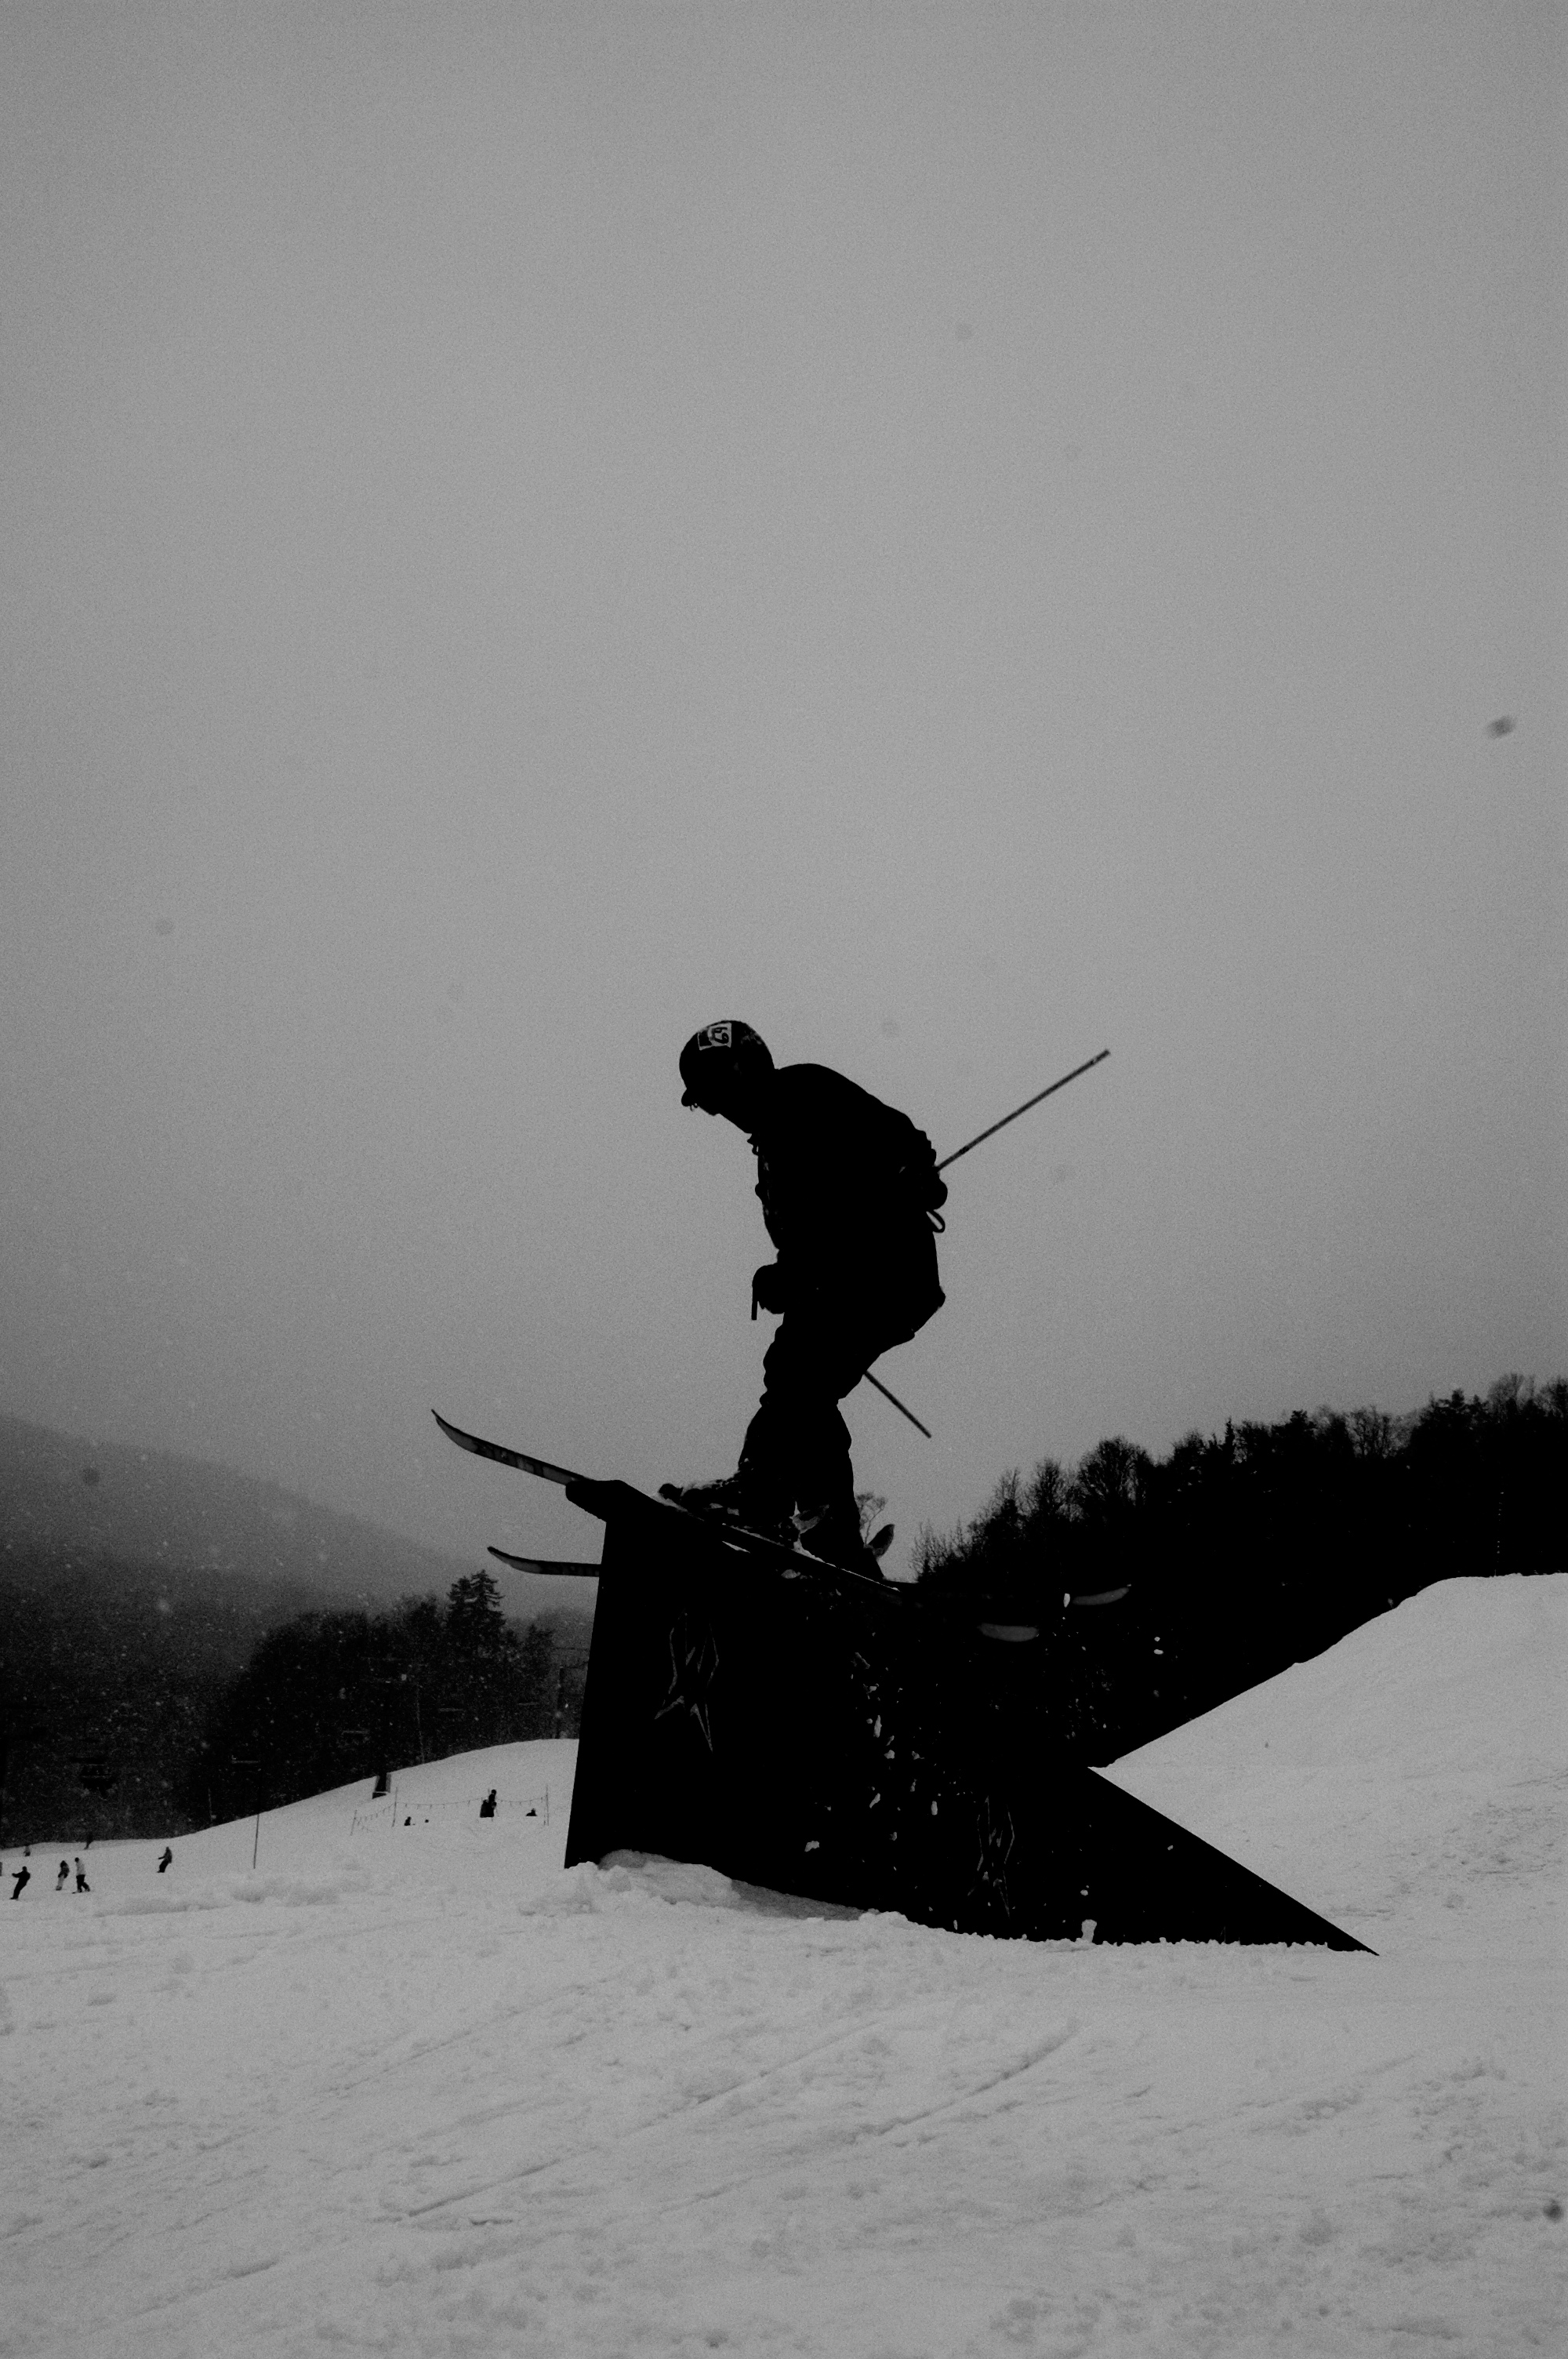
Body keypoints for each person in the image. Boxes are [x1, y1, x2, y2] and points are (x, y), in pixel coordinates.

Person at [661, 1020, 946, 1574]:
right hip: (844, 1277)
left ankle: (761, 1496)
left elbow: (892, 1137)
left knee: (796, 1371)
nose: (720, 1111)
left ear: (747, 1070)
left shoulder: (804, 1093)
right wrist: (783, 1273)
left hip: (881, 1266)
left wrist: (916, 1171)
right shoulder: (772, 1145)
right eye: (708, 1103)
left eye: (718, 1093)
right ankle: (831, 1528)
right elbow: (814, 1227)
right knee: (805, 1389)